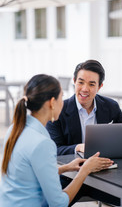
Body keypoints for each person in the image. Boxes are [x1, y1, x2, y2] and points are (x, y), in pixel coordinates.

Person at [0, 74, 114, 207]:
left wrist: (66, 168)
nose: (63, 102)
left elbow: (29, 174)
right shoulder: (42, 143)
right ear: (52, 102)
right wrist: (85, 170)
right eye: (61, 97)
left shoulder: (15, 128)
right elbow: (59, 204)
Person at [46, 60, 122, 207]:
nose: (84, 89)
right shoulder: (58, 110)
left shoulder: (110, 106)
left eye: (92, 84)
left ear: (99, 87)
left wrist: (113, 140)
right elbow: (54, 150)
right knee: (50, 203)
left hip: (105, 176)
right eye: (81, 82)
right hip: (70, 176)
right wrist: (78, 147)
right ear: (74, 81)